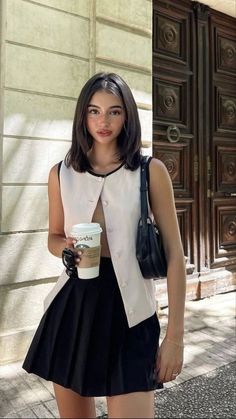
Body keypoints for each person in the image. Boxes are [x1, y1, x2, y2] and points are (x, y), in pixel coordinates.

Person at [22, 72, 186, 418]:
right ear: (83, 116)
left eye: (114, 111)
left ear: (127, 115)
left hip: (132, 313)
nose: (103, 121)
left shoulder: (149, 171)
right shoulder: (61, 173)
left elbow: (174, 255)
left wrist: (175, 338)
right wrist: (65, 249)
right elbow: (53, 237)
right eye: (94, 111)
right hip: (73, 309)